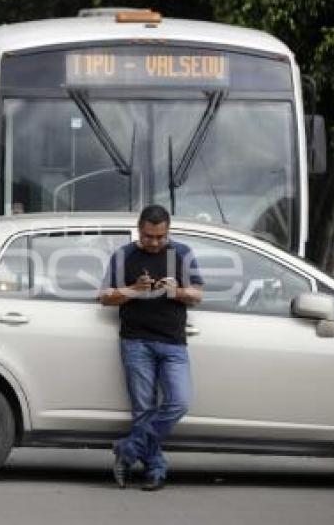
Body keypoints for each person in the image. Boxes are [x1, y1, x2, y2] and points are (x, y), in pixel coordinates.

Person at [100, 204, 203, 491]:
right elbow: (105, 297)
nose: (155, 242)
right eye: (148, 237)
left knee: (179, 402)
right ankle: (156, 469)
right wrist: (134, 290)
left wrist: (176, 291)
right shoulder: (123, 255)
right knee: (143, 410)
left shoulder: (182, 254)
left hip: (173, 342)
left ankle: (128, 449)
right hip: (136, 341)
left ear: (168, 231)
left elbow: (197, 294)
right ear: (139, 229)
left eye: (160, 237)